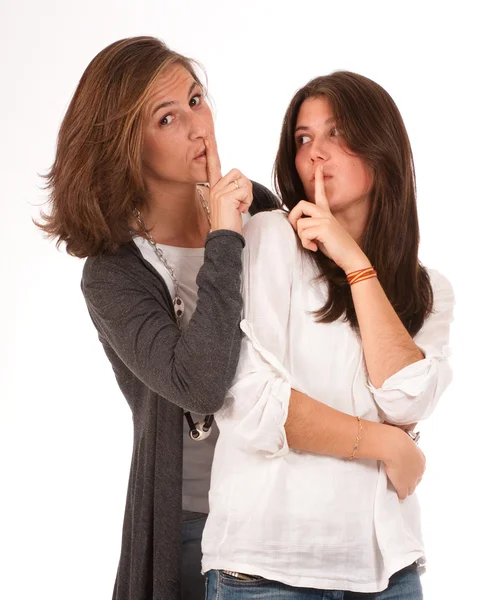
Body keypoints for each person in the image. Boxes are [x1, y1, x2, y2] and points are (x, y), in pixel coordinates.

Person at [36, 36, 279, 600]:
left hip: (283, 503)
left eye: (196, 100)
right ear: (125, 147)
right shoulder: (114, 272)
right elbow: (201, 385)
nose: (199, 127)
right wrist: (224, 236)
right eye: (168, 118)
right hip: (197, 524)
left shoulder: (257, 206)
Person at [203, 71, 454, 599]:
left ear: (382, 150)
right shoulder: (269, 239)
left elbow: (407, 396)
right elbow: (248, 402)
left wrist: (355, 262)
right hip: (267, 568)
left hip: (388, 568)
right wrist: (385, 442)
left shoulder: (426, 288)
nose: (316, 152)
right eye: (303, 138)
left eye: (336, 133)